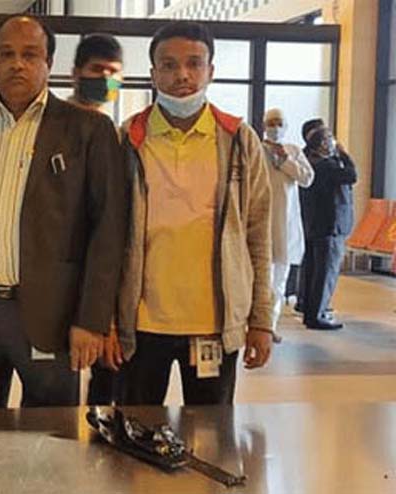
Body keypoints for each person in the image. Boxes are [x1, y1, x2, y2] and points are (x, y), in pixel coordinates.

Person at [0, 15, 128, 408]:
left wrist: (91, 320)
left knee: (49, 434)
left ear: (49, 64)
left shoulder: (89, 129)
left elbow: (108, 229)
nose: (17, 64)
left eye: (30, 55)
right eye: (6, 54)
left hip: (52, 313)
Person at [115, 21, 273, 406]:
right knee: (136, 427)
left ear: (210, 71)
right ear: (153, 74)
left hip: (213, 324)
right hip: (142, 322)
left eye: (194, 63)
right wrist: (107, 320)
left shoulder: (238, 139)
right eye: (169, 65)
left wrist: (261, 320)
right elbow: (106, 235)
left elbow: (258, 235)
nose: (182, 75)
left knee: (211, 433)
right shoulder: (128, 138)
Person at [67, 33, 125, 406]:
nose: (105, 79)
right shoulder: (56, 126)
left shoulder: (120, 135)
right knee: (55, 395)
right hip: (59, 280)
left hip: (105, 279)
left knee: (107, 388)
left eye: (113, 73)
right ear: (76, 73)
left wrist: (109, 316)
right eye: (97, 70)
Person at [261, 108, 314, 342]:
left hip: (286, 224)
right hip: (261, 223)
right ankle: (257, 324)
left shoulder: (293, 151)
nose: (275, 127)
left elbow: (307, 178)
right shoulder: (256, 149)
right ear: (264, 125)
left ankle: (270, 326)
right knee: (260, 281)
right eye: (271, 123)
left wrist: (285, 160)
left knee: (279, 281)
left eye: (279, 123)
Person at [299, 119, 356, 330]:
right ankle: (318, 314)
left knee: (314, 271)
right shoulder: (327, 166)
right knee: (325, 273)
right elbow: (352, 175)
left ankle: (310, 310)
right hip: (330, 226)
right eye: (329, 138)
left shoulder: (307, 162)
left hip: (314, 225)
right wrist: (344, 154)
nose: (333, 141)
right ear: (322, 143)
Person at [68, 33, 123, 114]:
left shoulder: (111, 121)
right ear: (76, 74)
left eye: (113, 71)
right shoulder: (54, 119)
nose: (106, 77)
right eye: (97, 69)